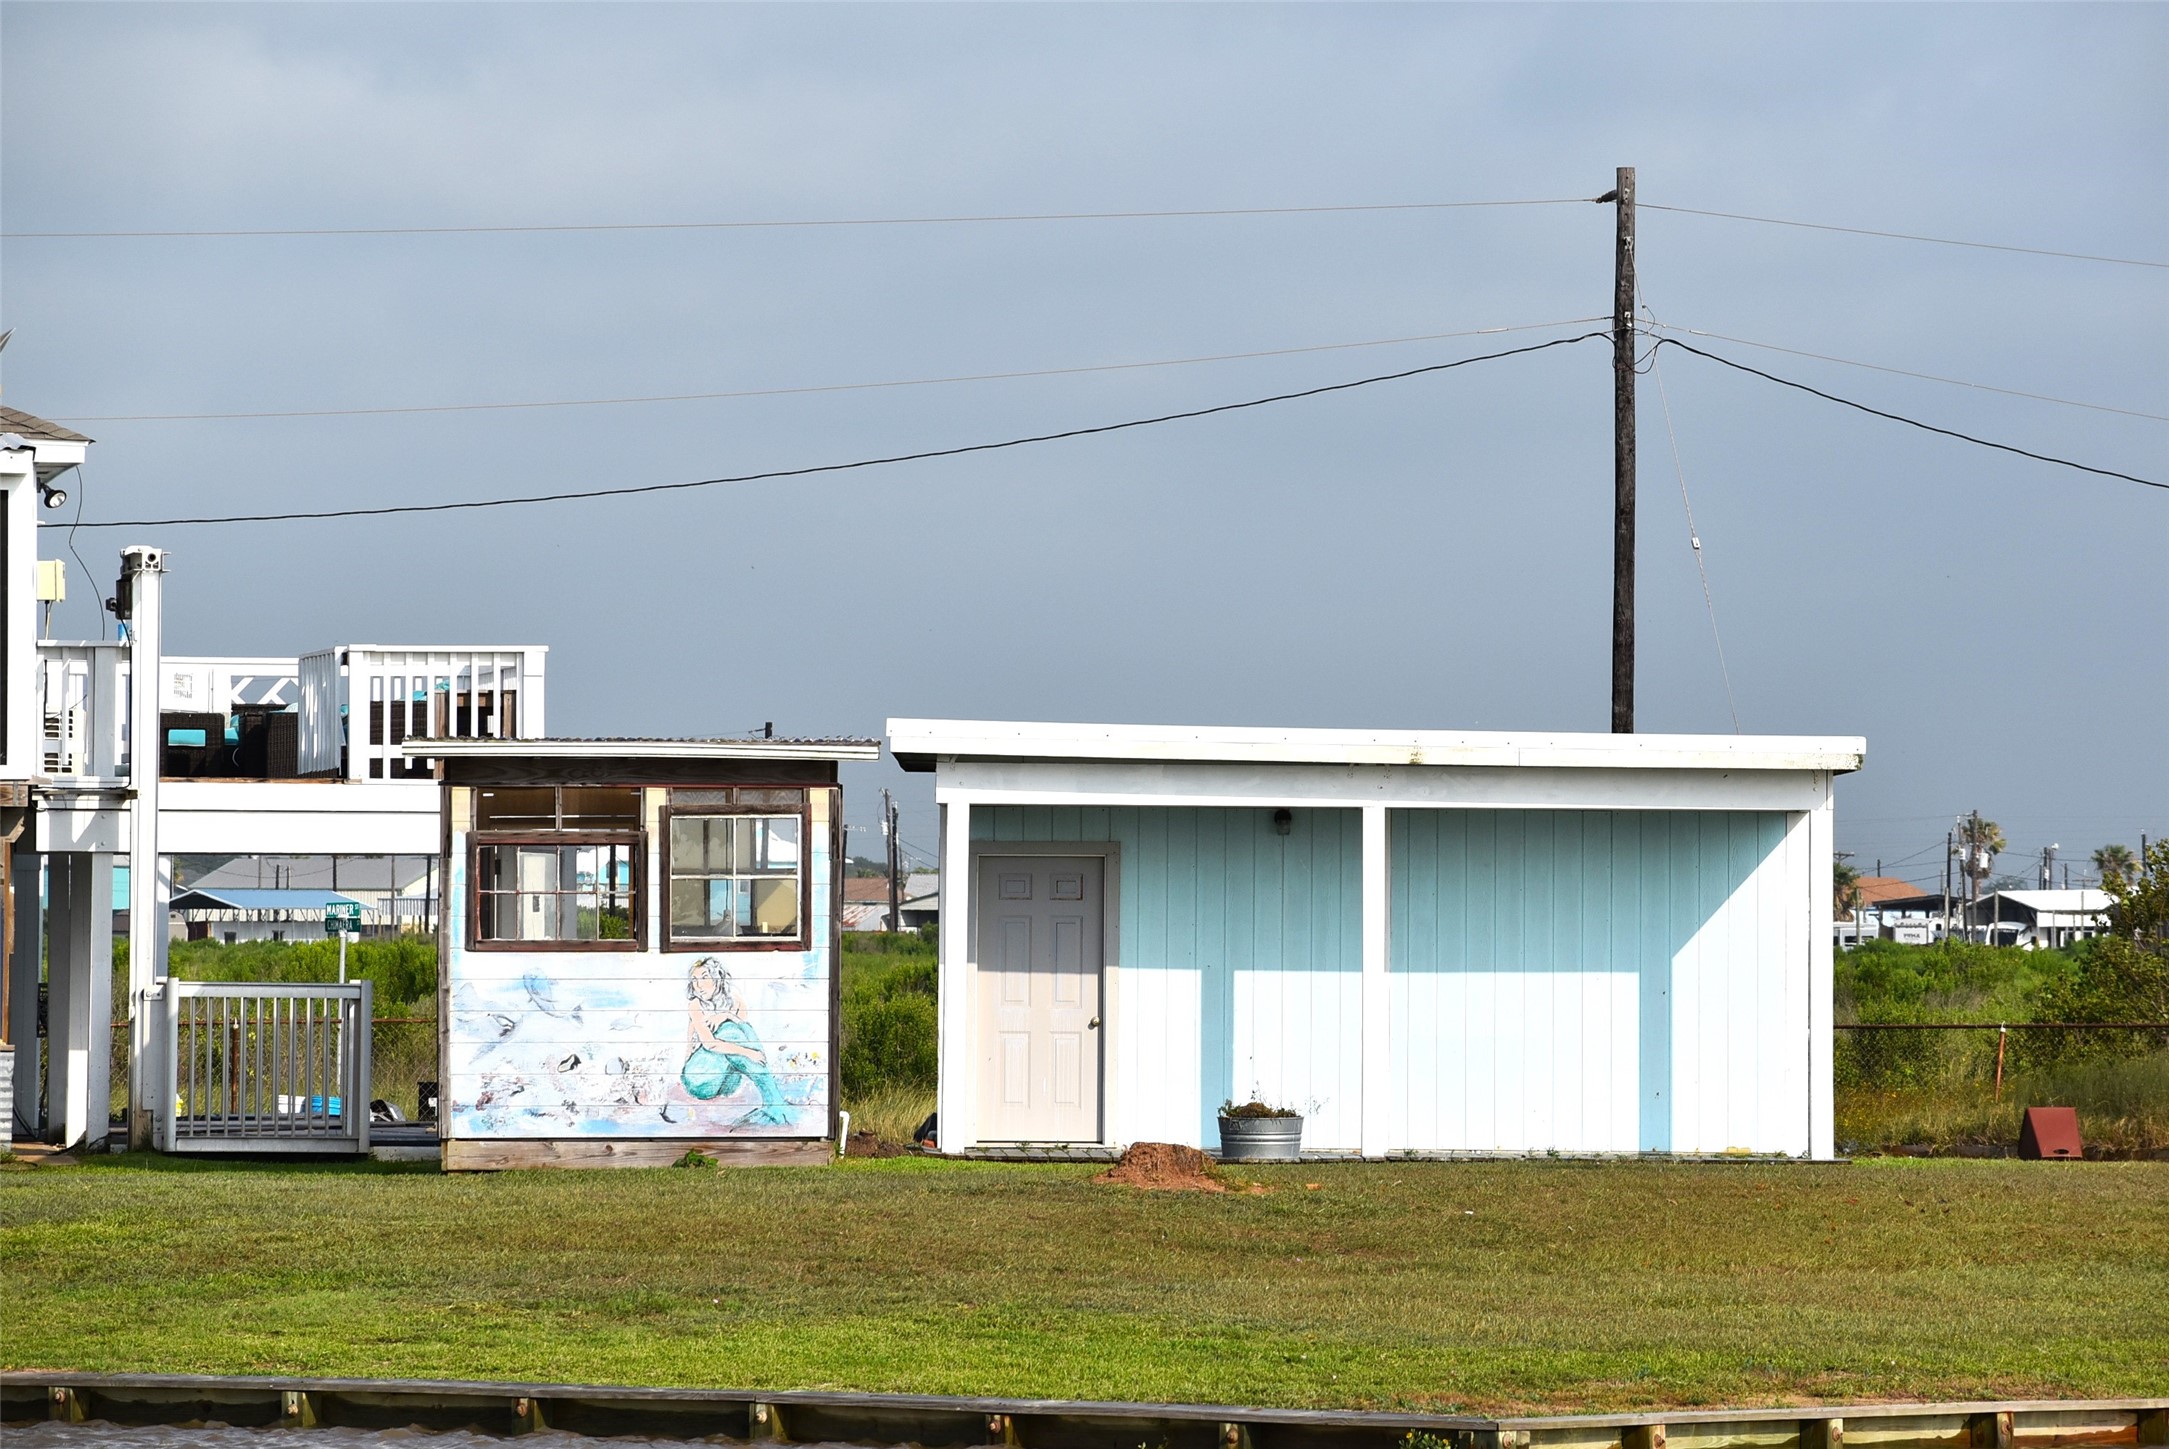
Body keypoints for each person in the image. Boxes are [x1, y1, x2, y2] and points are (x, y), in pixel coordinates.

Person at [681, 958, 792, 1126]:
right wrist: (750, 1053)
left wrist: (726, 1015)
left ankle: (772, 1102)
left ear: (716, 978)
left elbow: (745, 1028)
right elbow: (710, 1044)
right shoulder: (695, 1005)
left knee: (738, 1028)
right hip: (698, 1078)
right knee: (729, 1031)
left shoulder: (733, 997)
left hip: (726, 1079)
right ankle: (773, 1101)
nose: (698, 985)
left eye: (704, 977)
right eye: (695, 980)